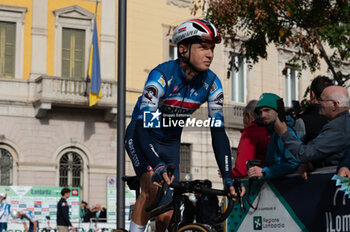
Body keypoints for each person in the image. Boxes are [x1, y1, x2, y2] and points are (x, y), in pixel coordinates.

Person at [125, 19, 245, 232]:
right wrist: (156, 163)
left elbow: (218, 133)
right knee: (152, 189)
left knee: (168, 212)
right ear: (182, 49)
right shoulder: (161, 77)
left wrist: (228, 178)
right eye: (203, 47)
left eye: (212, 48)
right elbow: (145, 127)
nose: (210, 54)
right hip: (142, 134)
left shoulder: (212, 85)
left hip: (171, 142)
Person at [274, 85, 350, 178]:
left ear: (334, 104)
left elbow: (305, 154)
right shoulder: (342, 123)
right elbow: (332, 154)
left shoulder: (339, 127)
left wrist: (284, 133)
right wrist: (312, 164)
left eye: (321, 100)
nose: (318, 103)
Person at [247, 93, 300, 178]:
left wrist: (264, 171)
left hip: (287, 188)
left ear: (278, 111)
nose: (262, 115)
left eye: (267, 110)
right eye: (260, 112)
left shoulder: (283, 132)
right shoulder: (274, 131)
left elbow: (294, 163)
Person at [294, 75, 333, 179]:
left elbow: (298, 152)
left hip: (311, 177)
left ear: (312, 94)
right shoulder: (340, 119)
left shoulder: (303, 120)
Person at [232, 100, 270, 177]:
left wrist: (228, 173)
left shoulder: (250, 134)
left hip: (258, 184)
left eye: (243, 118)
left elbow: (242, 169)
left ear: (248, 116)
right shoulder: (272, 131)